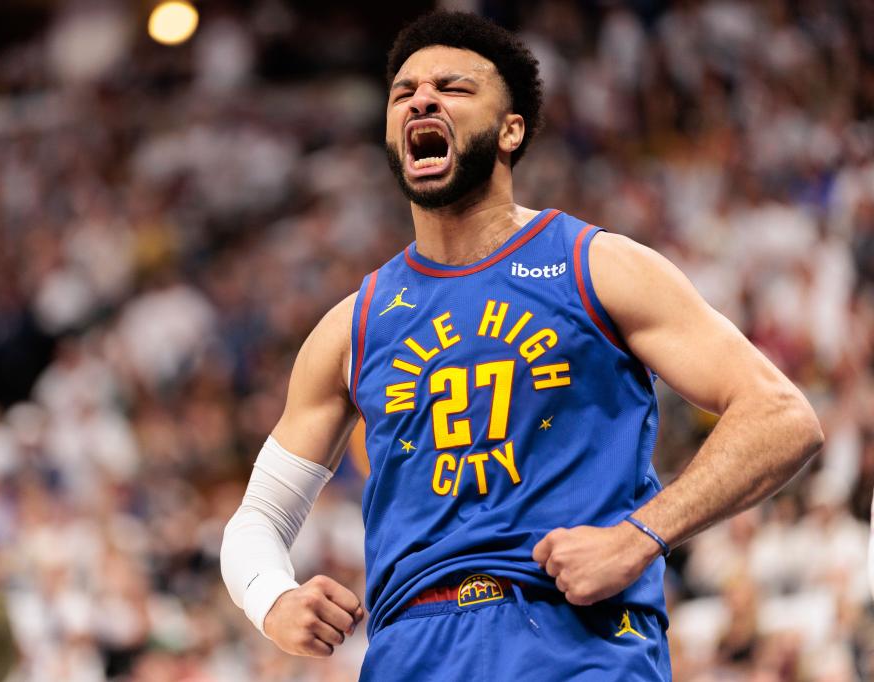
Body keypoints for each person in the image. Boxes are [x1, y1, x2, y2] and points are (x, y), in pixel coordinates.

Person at [220, 11, 823, 680]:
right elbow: (258, 520)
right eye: (403, 91)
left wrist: (641, 536)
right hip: (410, 652)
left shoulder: (597, 266)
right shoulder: (351, 327)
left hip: (576, 639)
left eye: (453, 87)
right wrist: (272, 599)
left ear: (510, 130)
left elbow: (781, 416)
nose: (421, 97)